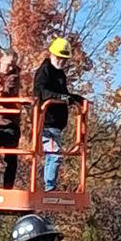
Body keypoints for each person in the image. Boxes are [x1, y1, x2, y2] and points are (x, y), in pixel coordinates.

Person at [33, 37, 83, 191]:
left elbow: (64, 93)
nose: (62, 61)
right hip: (46, 122)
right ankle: (49, 186)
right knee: (55, 155)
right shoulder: (45, 71)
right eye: (59, 58)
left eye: (64, 59)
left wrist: (75, 98)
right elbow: (41, 91)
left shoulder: (60, 74)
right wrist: (58, 97)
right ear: (52, 54)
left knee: (51, 154)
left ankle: (49, 184)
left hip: (57, 124)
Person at [0, 49, 22, 189]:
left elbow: (7, 94)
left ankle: (8, 188)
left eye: (13, 65)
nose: (10, 68)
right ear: (0, 60)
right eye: (8, 64)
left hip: (8, 123)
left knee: (11, 157)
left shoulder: (13, 77)